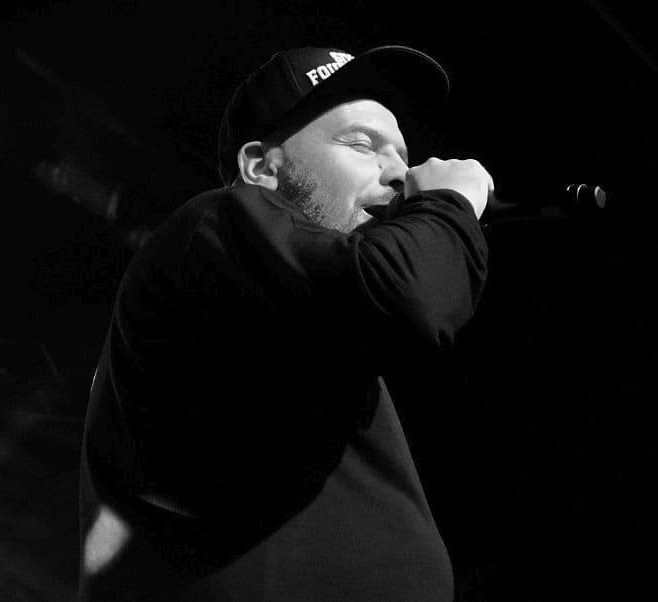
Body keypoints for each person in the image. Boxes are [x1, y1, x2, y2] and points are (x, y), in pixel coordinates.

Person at [79, 45, 493, 601]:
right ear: (261, 167)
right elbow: (414, 293)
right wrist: (446, 203)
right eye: (361, 145)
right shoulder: (214, 226)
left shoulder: (311, 318)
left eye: (402, 155)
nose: (401, 174)